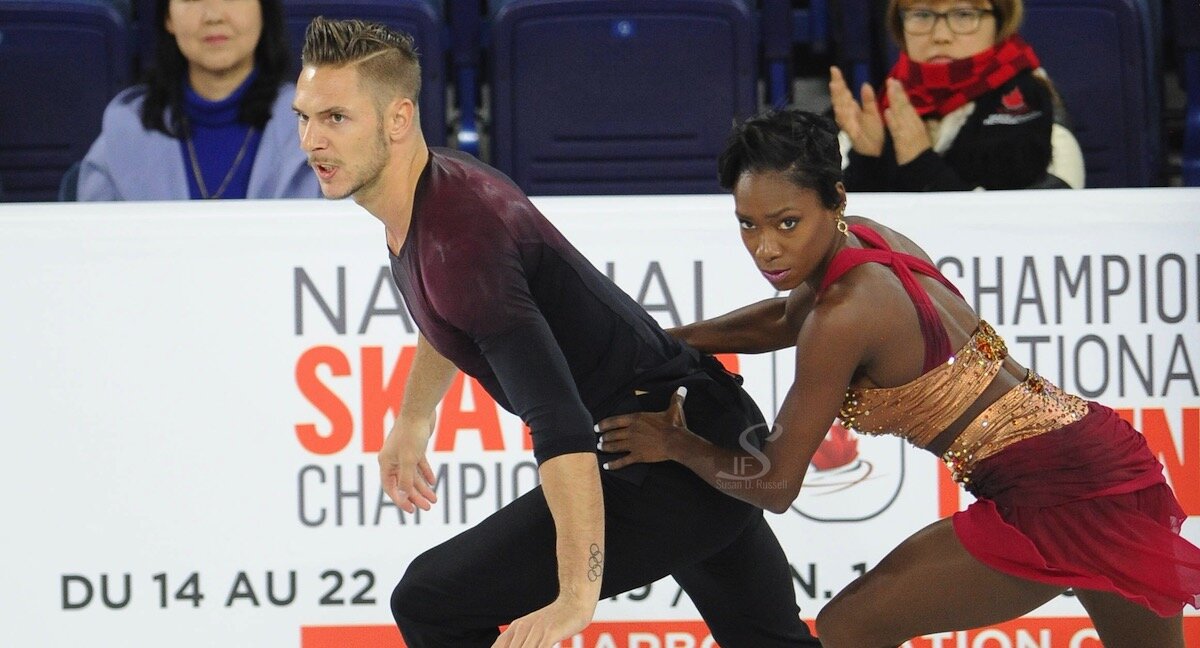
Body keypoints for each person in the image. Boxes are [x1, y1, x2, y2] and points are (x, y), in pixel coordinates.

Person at [291, 17, 821, 648]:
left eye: (335, 119)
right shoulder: (431, 196)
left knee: (432, 602)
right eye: (304, 117)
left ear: (398, 119)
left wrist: (576, 597)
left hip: (662, 458)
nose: (311, 141)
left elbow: (561, 426)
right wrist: (413, 419)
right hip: (693, 427)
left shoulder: (460, 236)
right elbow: (448, 314)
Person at [597, 108, 1200, 647]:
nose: (766, 248)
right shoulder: (868, 238)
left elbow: (777, 485)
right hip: (1109, 458)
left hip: (1054, 494)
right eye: (748, 225)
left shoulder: (842, 317)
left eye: (785, 223)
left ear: (834, 198)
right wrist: (674, 338)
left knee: (848, 627)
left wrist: (676, 444)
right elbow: (785, 317)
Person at [829, 0, 1084, 191]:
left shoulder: (1023, 97)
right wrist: (867, 157)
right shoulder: (889, 98)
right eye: (921, 15)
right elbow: (856, 231)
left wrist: (919, 161)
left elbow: (1004, 228)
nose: (940, 36)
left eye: (963, 14)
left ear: (1000, 20)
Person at [77, 0, 317, 200]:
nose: (213, 16)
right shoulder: (125, 132)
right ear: (168, 18)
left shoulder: (317, 128)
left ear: (263, 9)